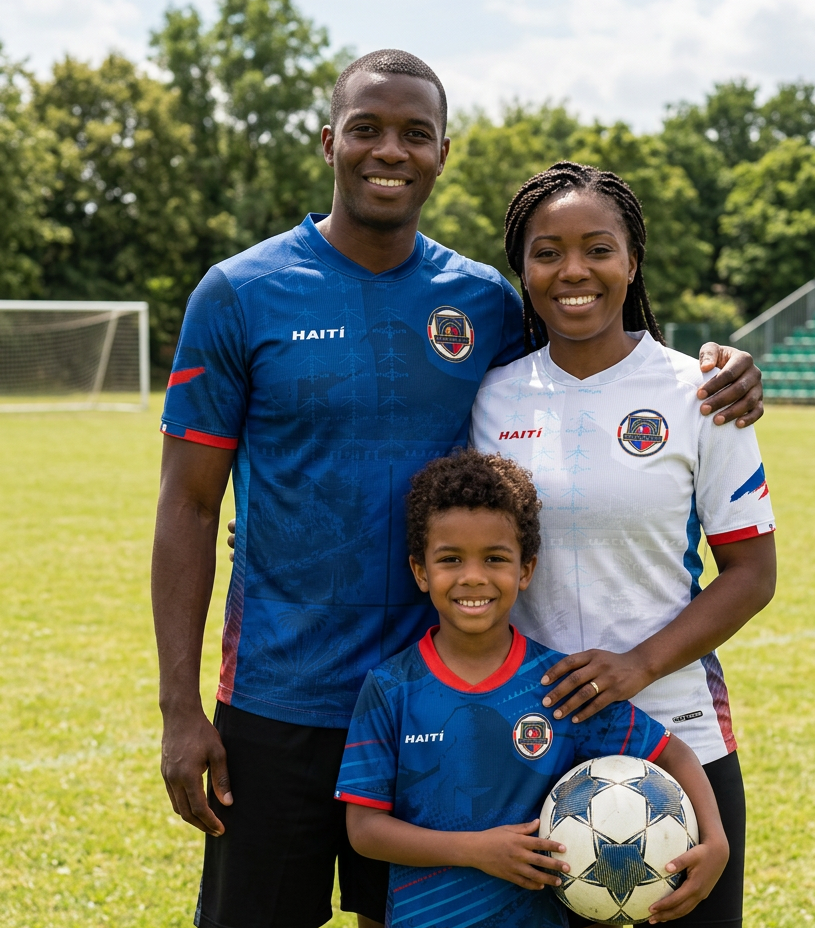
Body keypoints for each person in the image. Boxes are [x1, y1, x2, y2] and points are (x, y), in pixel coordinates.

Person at [152, 50, 764, 928]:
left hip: (444, 700)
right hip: (278, 701)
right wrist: (180, 708)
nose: (388, 151)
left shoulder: (480, 301)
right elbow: (187, 504)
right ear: (329, 141)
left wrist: (727, 369)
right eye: (366, 129)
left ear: (445, 153)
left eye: (415, 133)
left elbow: (589, 364)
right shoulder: (238, 293)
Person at [469, 161, 778, 926]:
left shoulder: (700, 392)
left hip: (679, 746)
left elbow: (751, 573)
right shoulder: (490, 395)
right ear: (523, 270)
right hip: (527, 751)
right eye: (547, 251)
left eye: (597, 248)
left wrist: (637, 664)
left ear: (632, 260)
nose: (574, 270)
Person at [336, 449, 729, 928]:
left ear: (525, 569)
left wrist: (715, 839)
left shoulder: (559, 684)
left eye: (495, 558)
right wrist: (476, 850)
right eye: (451, 559)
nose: (473, 576)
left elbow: (673, 754)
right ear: (421, 571)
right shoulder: (391, 687)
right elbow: (365, 830)